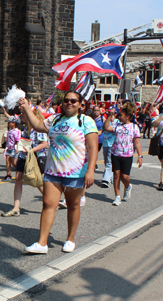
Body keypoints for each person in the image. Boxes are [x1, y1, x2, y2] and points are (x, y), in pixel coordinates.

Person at [21, 91, 98, 254]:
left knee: (73, 205)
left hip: (75, 173)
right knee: (48, 204)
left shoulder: (86, 121)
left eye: (73, 101)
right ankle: (42, 243)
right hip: (53, 171)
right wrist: (27, 107)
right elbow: (37, 125)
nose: (69, 103)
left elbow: (93, 148)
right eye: (66, 100)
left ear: (80, 104)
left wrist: (90, 170)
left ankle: (70, 239)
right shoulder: (55, 119)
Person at [1, 110, 47, 217]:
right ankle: (16, 208)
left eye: (23, 114)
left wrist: (31, 150)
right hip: (23, 156)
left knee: (37, 181)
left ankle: (51, 200)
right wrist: (19, 148)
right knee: (18, 179)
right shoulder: (26, 127)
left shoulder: (39, 128)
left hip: (34, 157)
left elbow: (44, 143)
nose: (21, 116)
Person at [103, 102, 143, 206]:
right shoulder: (117, 125)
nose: (119, 117)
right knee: (116, 175)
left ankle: (127, 186)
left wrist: (140, 156)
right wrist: (109, 116)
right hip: (115, 153)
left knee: (125, 177)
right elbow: (106, 128)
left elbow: (137, 142)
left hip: (127, 155)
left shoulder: (134, 127)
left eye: (121, 115)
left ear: (127, 116)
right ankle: (117, 197)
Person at [100, 107, 117, 188]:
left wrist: (112, 119)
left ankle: (106, 179)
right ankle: (111, 177)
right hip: (105, 144)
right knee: (107, 161)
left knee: (109, 162)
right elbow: (103, 128)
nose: (110, 115)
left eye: (112, 114)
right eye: (109, 113)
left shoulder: (117, 122)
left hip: (113, 144)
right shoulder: (106, 121)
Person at [1, 116, 20, 181]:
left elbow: (17, 141)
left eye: (10, 122)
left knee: (14, 163)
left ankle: (21, 171)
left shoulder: (17, 131)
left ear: (14, 123)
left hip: (14, 148)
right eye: (8, 123)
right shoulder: (9, 131)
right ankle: (8, 175)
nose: (9, 124)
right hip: (8, 148)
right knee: (7, 162)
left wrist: (17, 148)